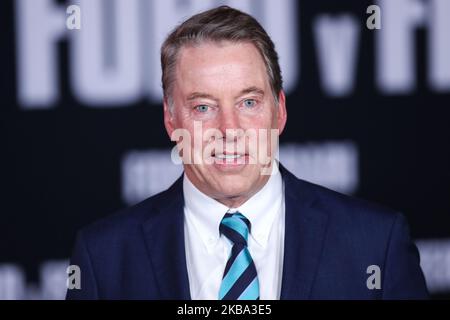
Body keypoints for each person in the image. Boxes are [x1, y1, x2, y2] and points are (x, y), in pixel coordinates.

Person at [66, 6, 428, 300]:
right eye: (203, 107)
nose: (230, 130)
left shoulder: (374, 245)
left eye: (249, 102)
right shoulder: (104, 260)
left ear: (280, 111)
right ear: (170, 118)